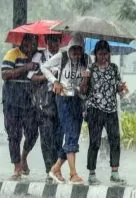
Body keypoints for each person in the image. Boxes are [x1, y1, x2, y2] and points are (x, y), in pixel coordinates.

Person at [41, 33, 91, 184]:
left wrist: (86, 79)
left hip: (78, 100)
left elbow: (86, 84)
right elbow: (44, 67)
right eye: (73, 49)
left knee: (73, 136)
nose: (76, 53)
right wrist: (55, 81)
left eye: (79, 49)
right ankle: (73, 173)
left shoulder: (87, 60)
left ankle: (55, 168)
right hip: (63, 99)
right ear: (69, 48)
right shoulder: (61, 57)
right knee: (69, 133)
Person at [85, 40, 128, 185]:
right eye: (100, 54)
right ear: (95, 54)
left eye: (106, 54)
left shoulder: (114, 69)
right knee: (95, 142)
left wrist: (122, 88)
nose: (103, 57)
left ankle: (114, 172)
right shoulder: (90, 69)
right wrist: (85, 78)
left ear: (109, 54)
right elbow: (83, 91)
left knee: (114, 140)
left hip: (111, 110)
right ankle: (91, 174)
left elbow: (118, 88)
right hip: (95, 110)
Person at [1, 34, 39, 180]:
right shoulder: (12, 54)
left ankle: (24, 157)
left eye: (33, 42)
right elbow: (5, 75)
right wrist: (26, 68)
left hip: (30, 101)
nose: (31, 45)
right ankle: (17, 167)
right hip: (12, 100)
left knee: (33, 133)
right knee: (14, 135)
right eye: (28, 41)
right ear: (23, 42)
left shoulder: (38, 56)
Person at [28, 34, 62, 182]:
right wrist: (48, 76)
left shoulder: (64, 57)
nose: (54, 44)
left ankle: (56, 168)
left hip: (61, 100)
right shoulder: (39, 56)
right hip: (43, 101)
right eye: (51, 41)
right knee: (46, 136)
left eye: (56, 41)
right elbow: (31, 77)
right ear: (46, 42)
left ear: (60, 42)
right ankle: (49, 169)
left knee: (58, 136)